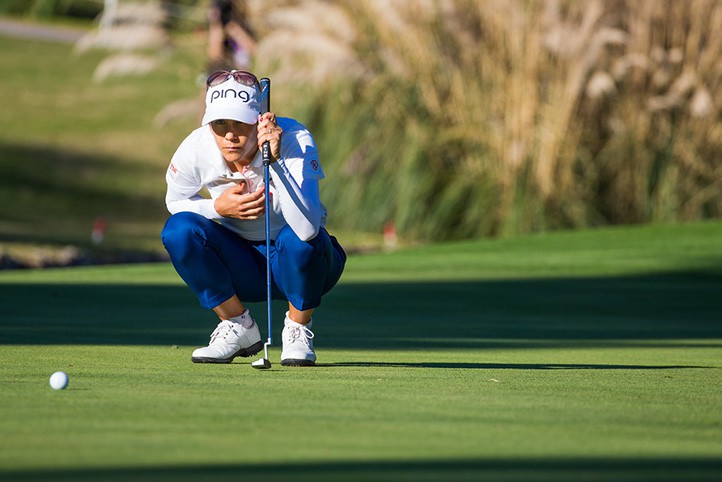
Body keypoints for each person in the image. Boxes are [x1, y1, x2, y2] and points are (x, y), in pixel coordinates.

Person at [161, 70, 346, 366]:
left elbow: (308, 228)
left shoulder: (294, 139)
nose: (230, 135)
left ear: (259, 120)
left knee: (299, 240)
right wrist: (217, 209)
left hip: (306, 265)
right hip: (242, 264)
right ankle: (238, 326)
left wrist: (278, 162)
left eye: (240, 123)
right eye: (220, 124)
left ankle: (297, 328)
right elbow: (175, 201)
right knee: (178, 231)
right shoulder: (197, 147)